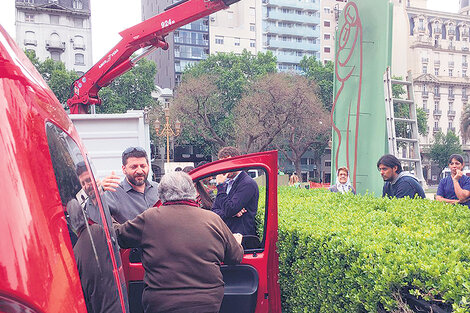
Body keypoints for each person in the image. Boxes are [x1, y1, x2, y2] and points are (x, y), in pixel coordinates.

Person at [114, 172, 243, 313]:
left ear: (161, 194)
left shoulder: (150, 218)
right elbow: (235, 257)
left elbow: (118, 237)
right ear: (193, 192)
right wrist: (237, 242)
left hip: (162, 303)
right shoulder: (213, 219)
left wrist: (106, 214)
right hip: (207, 302)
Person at [67, 199, 122, 313]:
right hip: (117, 302)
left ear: (71, 223)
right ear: (85, 215)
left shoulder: (75, 253)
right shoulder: (98, 231)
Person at [101, 147, 159, 223]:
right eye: (134, 167)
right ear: (124, 169)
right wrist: (96, 193)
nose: (139, 171)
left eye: (142, 166)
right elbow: (94, 216)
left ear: (148, 166)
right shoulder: (113, 193)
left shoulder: (158, 188)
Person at [212, 146, 259, 236]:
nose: (225, 168)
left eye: (228, 163)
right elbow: (214, 210)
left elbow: (230, 209)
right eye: (222, 164)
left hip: (242, 238)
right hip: (226, 235)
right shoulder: (226, 183)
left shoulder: (247, 183)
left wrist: (220, 186)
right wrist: (230, 213)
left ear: (237, 162)